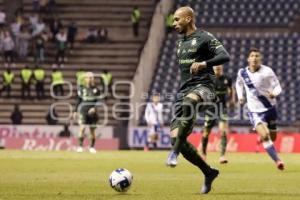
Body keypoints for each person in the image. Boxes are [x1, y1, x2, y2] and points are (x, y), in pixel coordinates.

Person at [166, 7, 230, 194]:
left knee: (189, 103)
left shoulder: (204, 37)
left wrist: (204, 63)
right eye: (173, 20)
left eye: (177, 20)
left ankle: (174, 153)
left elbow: (225, 56)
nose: (174, 23)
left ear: (188, 18)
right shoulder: (179, 43)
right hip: (185, 90)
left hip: (206, 89)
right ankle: (208, 172)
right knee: (176, 138)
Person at [235, 48, 284, 170]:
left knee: (273, 136)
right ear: (248, 59)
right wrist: (240, 97)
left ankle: (269, 134)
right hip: (254, 110)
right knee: (265, 135)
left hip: (270, 108)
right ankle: (277, 160)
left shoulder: (267, 71)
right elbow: (238, 84)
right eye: (252, 55)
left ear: (260, 59)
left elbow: (278, 86)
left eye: (257, 56)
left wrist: (274, 93)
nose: (255, 58)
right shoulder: (242, 73)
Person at [200, 65, 234, 164]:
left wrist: (232, 100)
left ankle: (222, 156)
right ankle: (203, 154)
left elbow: (231, 89)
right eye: (215, 69)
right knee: (206, 132)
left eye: (219, 69)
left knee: (223, 131)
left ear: (222, 68)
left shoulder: (227, 79)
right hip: (210, 109)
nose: (217, 71)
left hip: (222, 108)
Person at [73, 72, 101, 153]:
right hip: (83, 110)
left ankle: (91, 147)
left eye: (91, 77)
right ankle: (80, 146)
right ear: (85, 79)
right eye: (88, 77)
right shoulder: (81, 89)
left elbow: (99, 100)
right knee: (82, 128)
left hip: (92, 111)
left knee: (92, 130)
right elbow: (78, 100)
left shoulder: (96, 89)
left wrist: (94, 108)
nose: (90, 79)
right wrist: (75, 111)